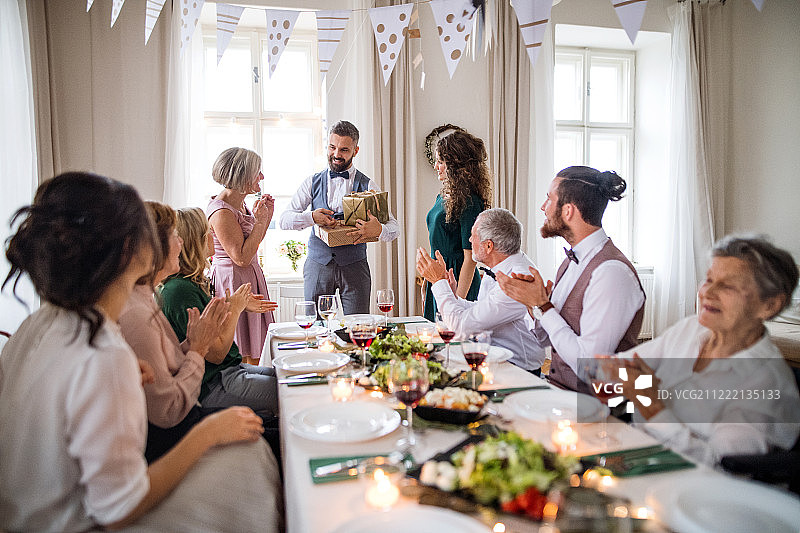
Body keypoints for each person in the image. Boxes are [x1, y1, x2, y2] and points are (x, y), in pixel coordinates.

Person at [0, 172, 281, 532]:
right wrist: (208, 432)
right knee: (251, 467)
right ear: (131, 249)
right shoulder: (104, 353)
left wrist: (121, 383)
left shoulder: (39, 323)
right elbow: (119, 509)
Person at [610, 235, 800, 466]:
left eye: (728, 285)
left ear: (769, 305)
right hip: (635, 452)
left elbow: (719, 467)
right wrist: (613, 376)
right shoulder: (691, 328)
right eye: (709, 279)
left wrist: (650, 405)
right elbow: (618, 366)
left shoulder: (767, 383)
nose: (708, 292)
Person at [497, 166, 645, 393]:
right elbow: (545, 339)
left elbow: (589, 365)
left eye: (549, 199)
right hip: (559, 393)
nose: (543, 207)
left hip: (598, 410)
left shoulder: (612, 273)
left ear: (568, 211)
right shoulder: (569, 262)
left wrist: (543, 306)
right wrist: (531, 303)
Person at [161, 207, 281, 459]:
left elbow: (207, 325)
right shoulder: (178, 291)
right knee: (292, 393)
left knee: (288, 378)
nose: (213, 236)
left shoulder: (190, 284)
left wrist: (231, 304)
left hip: (228, 372)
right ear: (193, 242)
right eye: (207, 232)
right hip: (214, 384)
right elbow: (215, 354)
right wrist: (235, 309)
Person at [119, 201, 230, 463]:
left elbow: (168, 362)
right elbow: (168, 411)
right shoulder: (137, 313)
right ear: (152, 249)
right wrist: (198, 349)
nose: (181, 243)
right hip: (173, 438)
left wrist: (191, 343)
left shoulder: (148, 297)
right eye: (174, 236)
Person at [279, 120, 400, 314]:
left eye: (344, 150)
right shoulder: (312, 182)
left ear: (356, 150)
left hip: (355, 267)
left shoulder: (368, 185)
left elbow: (395, 227)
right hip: (318, 265)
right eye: (332, 147)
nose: (336, 154)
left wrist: (379, 230)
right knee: (316, 329)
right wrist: (311, 217)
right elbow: (284, 220)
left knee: (359, 329)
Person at [416, 208, 545, 373]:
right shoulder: (502, 266)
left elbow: (460, 328)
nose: (469, 239)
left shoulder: (517, 277)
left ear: (489, 245)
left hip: (516, 369)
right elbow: (482, 309)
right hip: (493, 359)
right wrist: (453, 296)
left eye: (473, 235)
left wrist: (438, 281)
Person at [207, 147, 275, 365]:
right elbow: (241, 258)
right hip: (232, 281)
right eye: (257, 172)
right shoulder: (221, 212)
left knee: (256, 350)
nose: (262, 177)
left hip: (248, 277)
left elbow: (252, 247)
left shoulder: (240, 204)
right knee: (243, 351)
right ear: (243, 176)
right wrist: (261, 222)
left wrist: (265, 218)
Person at [423, 130, 491, 321]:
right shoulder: (442, 196)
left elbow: (470, 258)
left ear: (454, 166)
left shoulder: (470, 202)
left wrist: (457, 301)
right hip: (438, 276)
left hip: (460, 279)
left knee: (456, 340)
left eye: (441, 162)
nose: (436, 166)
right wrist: (430, 280)